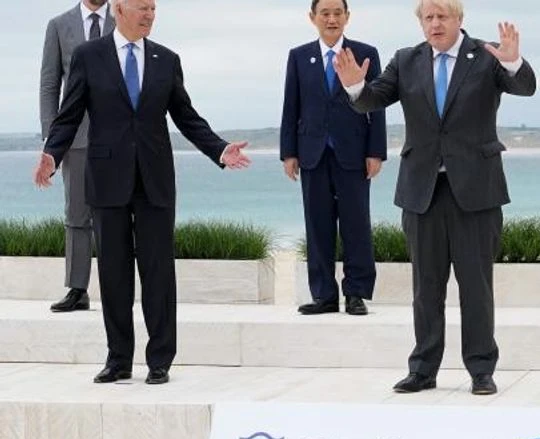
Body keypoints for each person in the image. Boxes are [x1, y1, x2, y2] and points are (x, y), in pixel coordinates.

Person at [33, 0, 251, 385]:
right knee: (114, 273)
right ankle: (118, 359)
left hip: (155, 179)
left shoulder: (167, 59)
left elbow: (186, 116)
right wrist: (52, 153)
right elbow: (69, 114)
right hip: (107, 179)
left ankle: (160, 360)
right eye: (142, 7)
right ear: (119, 9)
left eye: (153, 8)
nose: (149, 14)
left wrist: (219, 149)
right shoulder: (88, 56)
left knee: (158, 272)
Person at [334, 0, 536, 395]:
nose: (435, 23)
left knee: (476, 287)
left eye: (443, 16)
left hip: (476, 191)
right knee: (426, 289)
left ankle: (481, 370)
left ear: (459, 19)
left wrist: (514, 62)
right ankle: (423, 369)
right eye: (428, 17)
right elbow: (371, 99)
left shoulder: (486, 55)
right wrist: (355, 86)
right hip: (422, 191)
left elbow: (525, 87)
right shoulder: (405, 60)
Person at [280, 0, 386, 316]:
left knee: (356, 224)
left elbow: (377, 106)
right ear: (312, 17)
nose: (331, 19)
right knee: (317, 225)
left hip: (353, 153)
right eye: (324, 13)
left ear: (347, 17)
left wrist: (376, 151)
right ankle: (324, 295)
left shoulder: (365, 53)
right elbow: (291, 106)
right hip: (312, 153)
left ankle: (356, 293)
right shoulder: (299, 56)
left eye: (337, 13)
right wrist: (289, 152)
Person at [40, 0, 115, 313]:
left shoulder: (124, 18)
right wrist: (52, 140)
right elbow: (49, 83)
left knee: (117, 214)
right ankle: (77, 288)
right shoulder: (58, 25)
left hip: (119, 135)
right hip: (75, 137)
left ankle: (116, 289)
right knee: (76, 214)